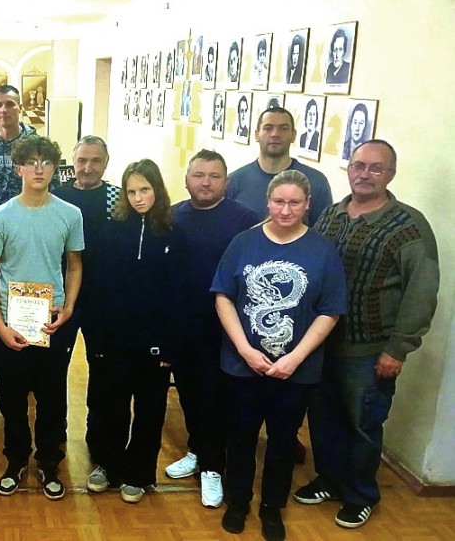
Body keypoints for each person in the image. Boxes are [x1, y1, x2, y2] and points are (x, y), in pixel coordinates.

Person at [299, 140, 439, 529]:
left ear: (390, 174)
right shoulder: (330, 216)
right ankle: (329, 480)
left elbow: (422, 291)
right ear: (349, 168)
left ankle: (360, 494)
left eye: (376, 168)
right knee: (323, 419)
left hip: (371, 350)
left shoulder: (409, 226)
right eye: (359, 165)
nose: (365, 174)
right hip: (322, 344)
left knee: (363, 424)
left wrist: (398, 349)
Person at [213, 170, 347, 541]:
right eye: (278, 201)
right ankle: (238, 501)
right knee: (240, 437)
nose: (285, 210)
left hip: (296, 370)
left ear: (308, 204)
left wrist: (296, 358)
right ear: (268, 201)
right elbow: (223, 296)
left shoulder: (322, 250)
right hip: (243, 366)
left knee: (283, 441)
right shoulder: (244, 242)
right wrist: (245, 349)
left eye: (294, 203)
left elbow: (330, 311)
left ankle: (272, 507)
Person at [0, 135, 83, 500]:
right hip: (11, 325)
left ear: (55, 169)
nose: (39, 169)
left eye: (46, 162)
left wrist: (68, 307)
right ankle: (16, 459)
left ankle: (49, 462)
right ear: (18, 168)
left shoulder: (70, 214)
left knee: (52, 398)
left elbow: (74, 265)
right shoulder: (0, 217)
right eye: (31, 162)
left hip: (51, 323)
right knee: (12, 399)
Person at [85, 159, 186, 504]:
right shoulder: (112, 230)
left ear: (157, 190)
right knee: (111, 408)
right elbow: (99, 286)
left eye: (145, 190)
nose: (138, 197)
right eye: (131, 192)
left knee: (149, 412)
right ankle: (108, 465)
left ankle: (139, 473)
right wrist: (97, 337)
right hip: (115, 340)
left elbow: (178, 294)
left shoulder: (173, 234)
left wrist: (170, 346)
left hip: (154, 344)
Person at [167, 150, 260, 508]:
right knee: (189, 395)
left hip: (224, 327)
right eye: (199, 175)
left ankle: (212, 467)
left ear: (226, 182)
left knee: (214, 399)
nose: (205, 182)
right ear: (186, 179)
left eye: (214, 176)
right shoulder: (172, 216)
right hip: (182, 325)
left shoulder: (244, 219)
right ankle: (197, 449)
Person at [52, 136, 120, 494]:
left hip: (104, 301)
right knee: (53, 369)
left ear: (106, 163)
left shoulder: (118, 200)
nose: (88, 167)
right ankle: (55, 434)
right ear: (72, 161)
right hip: (61, 298)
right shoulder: (57, 198)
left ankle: (97, 438)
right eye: (82, 160)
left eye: (95, 160)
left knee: (102, 372)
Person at [228, 107, 333, 225]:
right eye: (268, 128)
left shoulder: (316, 182)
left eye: (283, 128)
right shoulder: (234, 181)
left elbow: (322, 233)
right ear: (257, 135)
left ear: (293, 135)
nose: (275, 134)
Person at [0, 85, 58, 210]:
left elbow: (53, 187)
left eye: (10, 104)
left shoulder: (38, 146)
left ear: (20, 108)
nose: (4, 110)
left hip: (31, 215)